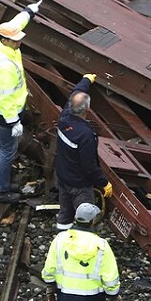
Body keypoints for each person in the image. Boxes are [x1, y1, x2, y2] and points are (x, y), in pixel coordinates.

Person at [0, 0, 42, 203]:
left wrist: (29, 12)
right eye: (16, 40)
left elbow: (16, 23)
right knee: (7, 150)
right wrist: (13, 122)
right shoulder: (4, 66)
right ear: (6, 40)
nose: (19, 42)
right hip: (6, 112)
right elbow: (7, 96)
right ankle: (0, 190)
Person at [54, 73, 112, 229]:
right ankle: (82, 244)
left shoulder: (64, 117)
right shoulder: (85, 135)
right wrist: (104, 183)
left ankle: (61, 236)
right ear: (87, 109)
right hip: (79, 184)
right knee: (85, 217)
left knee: (65, 212)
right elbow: (89, 165)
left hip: (63, 177)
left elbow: (75, 94)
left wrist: (86, 80)